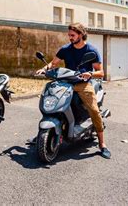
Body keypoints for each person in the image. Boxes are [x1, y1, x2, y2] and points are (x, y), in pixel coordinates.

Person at [35, 22, 111, 159]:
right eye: (69, 35)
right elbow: (53, 63)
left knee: (94, 111)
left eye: (72, 35)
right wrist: (44, 69)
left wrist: (90, 74)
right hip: (65, 82)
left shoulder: (91, 51)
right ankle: (45, 132)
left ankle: (102, 144)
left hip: (82, 84)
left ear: (81, 35)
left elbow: (101, 72)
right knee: (51, 102)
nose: (70, 37)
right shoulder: (65, 49)